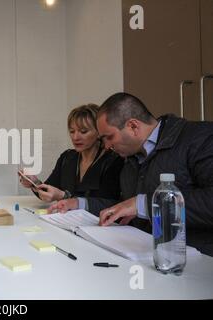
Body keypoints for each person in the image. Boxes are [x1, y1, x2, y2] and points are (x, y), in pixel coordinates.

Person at [92, 92, 213, 256]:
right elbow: (124, 206)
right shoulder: (129, 159)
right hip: (147, 255)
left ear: (133, 126)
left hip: (195, 260)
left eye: (109, 137)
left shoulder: (199, 137)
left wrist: (145, 205)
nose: (106, 146)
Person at [19, 104, 124, 211]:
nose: (75, 137)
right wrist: (34, 183)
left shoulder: (113, 161)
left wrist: (63, 196)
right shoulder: (67, 158)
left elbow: (108, 205)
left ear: (99, 132)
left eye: (83, 131)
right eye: (72, 131)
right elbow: (48, 192)